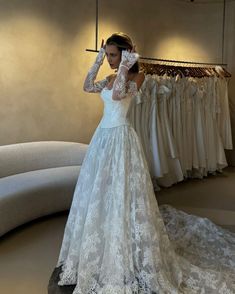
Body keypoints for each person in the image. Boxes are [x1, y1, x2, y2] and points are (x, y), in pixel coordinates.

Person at [49, 33, 235, 293]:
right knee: (99, 190)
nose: (111, 60)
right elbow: (87, 86)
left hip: (121, 138)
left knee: (124, 191)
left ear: (125, 55)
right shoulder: (111, 76)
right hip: (102, 138)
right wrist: (99, 59)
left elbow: (116, 97)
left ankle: (125, 243)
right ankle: (101, 241)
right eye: (109, 55)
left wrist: (126, 64)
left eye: (113, 55)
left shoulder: (138, 76)